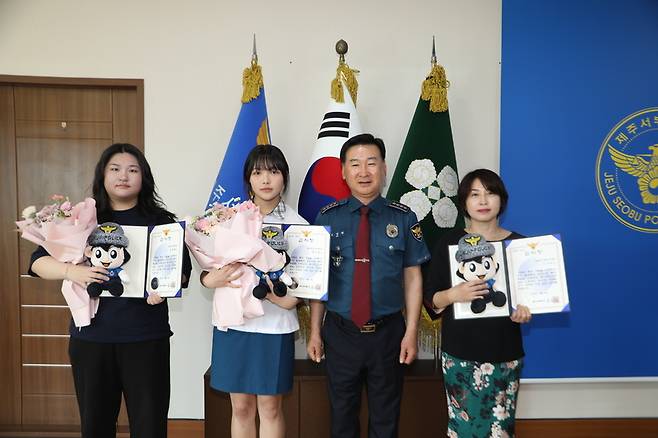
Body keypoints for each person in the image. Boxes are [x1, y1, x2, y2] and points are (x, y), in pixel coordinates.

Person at [29, 143, 192, 438]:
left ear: (144, 177)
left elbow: (181, 274)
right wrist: (73, 271)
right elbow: (38, 262)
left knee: (150, 425)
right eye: (115, 169)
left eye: (133, 170)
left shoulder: (162, 222)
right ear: (102, 175)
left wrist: (165, 287)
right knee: (96, 425)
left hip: (146, 338)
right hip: (92, 339)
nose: (123, 176)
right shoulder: (82, 220)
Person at [306, 133, 430, 438]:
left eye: (371, 163)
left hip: (388, 335)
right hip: (340, 333)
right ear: (343, 172)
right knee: (342, 418)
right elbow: (318, 282)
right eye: (355, 164)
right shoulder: (326, 218)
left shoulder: (403, 217)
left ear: (384, 169)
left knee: (386, 419)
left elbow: (413, 278)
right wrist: (314, 331)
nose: (364, 172)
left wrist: (411, 332)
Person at [201, 144, 306, 438]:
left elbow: (302, 284)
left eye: (273, 172)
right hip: (234, 324)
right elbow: (208, 272)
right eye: (258, 172)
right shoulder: (227, 220)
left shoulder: (299, 226)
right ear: (248, 178)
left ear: (284, 177)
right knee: (241, 408)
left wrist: (283, 298)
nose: (266, 180)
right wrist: (210, 279)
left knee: (270, 408)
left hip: (274, 326)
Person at [423, 168, 532, 437]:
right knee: (463, 428)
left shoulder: (518, 244)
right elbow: (431, 299)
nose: (483, 201)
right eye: (475, 194)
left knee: (500, 429)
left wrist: (527, 312)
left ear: (501, 201)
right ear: (464, 202)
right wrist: (454, 294)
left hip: (505, 353)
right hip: (461, 354)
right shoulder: (448, 243)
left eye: (490, 193)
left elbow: (530, 299)